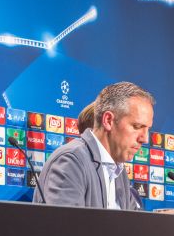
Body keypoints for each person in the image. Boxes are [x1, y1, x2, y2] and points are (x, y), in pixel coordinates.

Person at [33, 82, 154, 210]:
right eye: (137, 127)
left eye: (148, 129)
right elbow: (65, 227)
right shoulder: (71, 161)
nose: (145, 139)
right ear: (108, 121)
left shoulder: (119, 171)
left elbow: (134, 227)